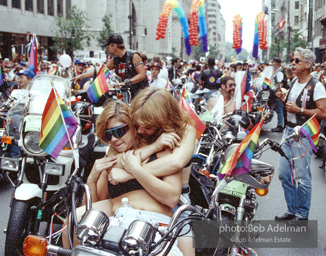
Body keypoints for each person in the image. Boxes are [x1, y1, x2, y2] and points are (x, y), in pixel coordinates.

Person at [275, 47, 326, 221]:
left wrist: (300, 110)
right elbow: (291, 108)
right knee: (283, 173)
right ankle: (292, 209)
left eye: (297, 61)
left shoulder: (316, 85)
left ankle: (302, 213)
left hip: (302, 134)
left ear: (308, 64)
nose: (293, 63)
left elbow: (323, 112)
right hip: (288, 132)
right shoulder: (294, 83)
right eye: (293, 60)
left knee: (302, 176)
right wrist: (283, 100)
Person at [73, 34, 148, 99]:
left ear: (114, 46)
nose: (107, 49)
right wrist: (82, 76)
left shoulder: (133, 56)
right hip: (127, 94)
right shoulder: (115, 60)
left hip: (142, 95)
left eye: (108, 46)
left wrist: (125, 83)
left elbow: (142, 75)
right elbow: (100, 71)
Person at [271, 58, 288, 132]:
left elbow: (279, 84)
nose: (272, 64)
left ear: (276, 63)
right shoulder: (278, 71)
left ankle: (280, 125)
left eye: (273, 62)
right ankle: (281, 124)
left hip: (279, 93)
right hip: (278, 92)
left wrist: (273, 89)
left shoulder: (280, 72)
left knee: (279, 109)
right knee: (279, 109)